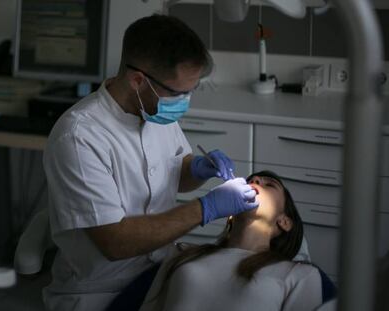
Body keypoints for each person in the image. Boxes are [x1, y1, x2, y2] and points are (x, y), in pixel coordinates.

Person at [42, 14, 258, 311]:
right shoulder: (79, 136)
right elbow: (116, 243)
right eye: (179, 93)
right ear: (138, 80)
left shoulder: (152, 108)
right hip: (101, 290)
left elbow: (177, 173)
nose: (185, 101)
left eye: (191, 91)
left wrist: (198, 169)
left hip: (159, 271)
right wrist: (206, 208)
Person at [139, 171, 337, 311]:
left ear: (284, 221)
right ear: (230, 214)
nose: (256, 180)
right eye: (252, 180)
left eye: (269, 184)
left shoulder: (300, 274)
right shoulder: (182, 253)